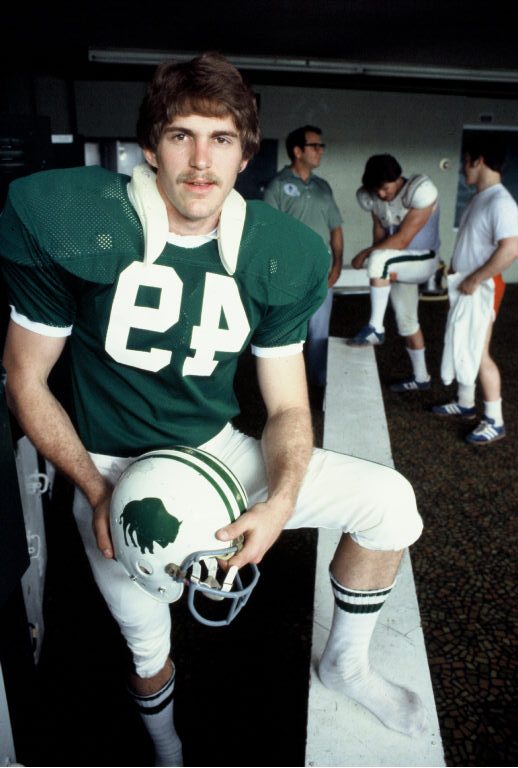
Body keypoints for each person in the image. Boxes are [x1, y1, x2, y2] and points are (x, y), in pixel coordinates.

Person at [0, 53, 426, 765]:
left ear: (245, 154)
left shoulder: (277, 252)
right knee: (147, 646)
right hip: (110, 465)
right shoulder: (76, 222)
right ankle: (167, 746)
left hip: (215, 450)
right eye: (181, 135)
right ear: (150, 148)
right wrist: (95, 488)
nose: (201, 161)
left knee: (391, 504)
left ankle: (346, 665)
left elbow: (286, 407)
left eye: (221, 139)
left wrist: (281, 501)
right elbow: (25, 380)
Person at [432, 133, 518, 445]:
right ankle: (465, 403)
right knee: (462, 342)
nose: (462, 168)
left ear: (479, 161)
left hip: (481, 288)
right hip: (466, 285)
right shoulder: (481, 197)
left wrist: (475, 279)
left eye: (466, 162)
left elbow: (511, 249)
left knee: (479, 352)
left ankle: (495, 420)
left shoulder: (500, 202)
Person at [348, 154, 441, 392]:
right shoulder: (374, 198)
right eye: (376, 190)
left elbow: (402, 240)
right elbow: (379, 234)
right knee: (407, 322)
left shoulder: (420, 191)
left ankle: (376, 328)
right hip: (397, 262)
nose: (381, 194)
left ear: (398, 179)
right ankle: (421, 377)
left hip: (423, 259)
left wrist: (367, 255)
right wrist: (377, 262)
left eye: (385, 188)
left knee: (379, 259)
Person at [263, 125, 343, 399]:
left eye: (321, 146)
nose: (321, 151)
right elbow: (268, 233)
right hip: (290, 274)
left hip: (321, 273)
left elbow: (336, 228)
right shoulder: (277, 185)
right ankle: (284, 390)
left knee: (320, 332)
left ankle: (318, 385)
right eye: (315, 146)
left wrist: (337, 265)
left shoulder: (323, 187)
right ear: (298, 151)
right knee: (288, 331)